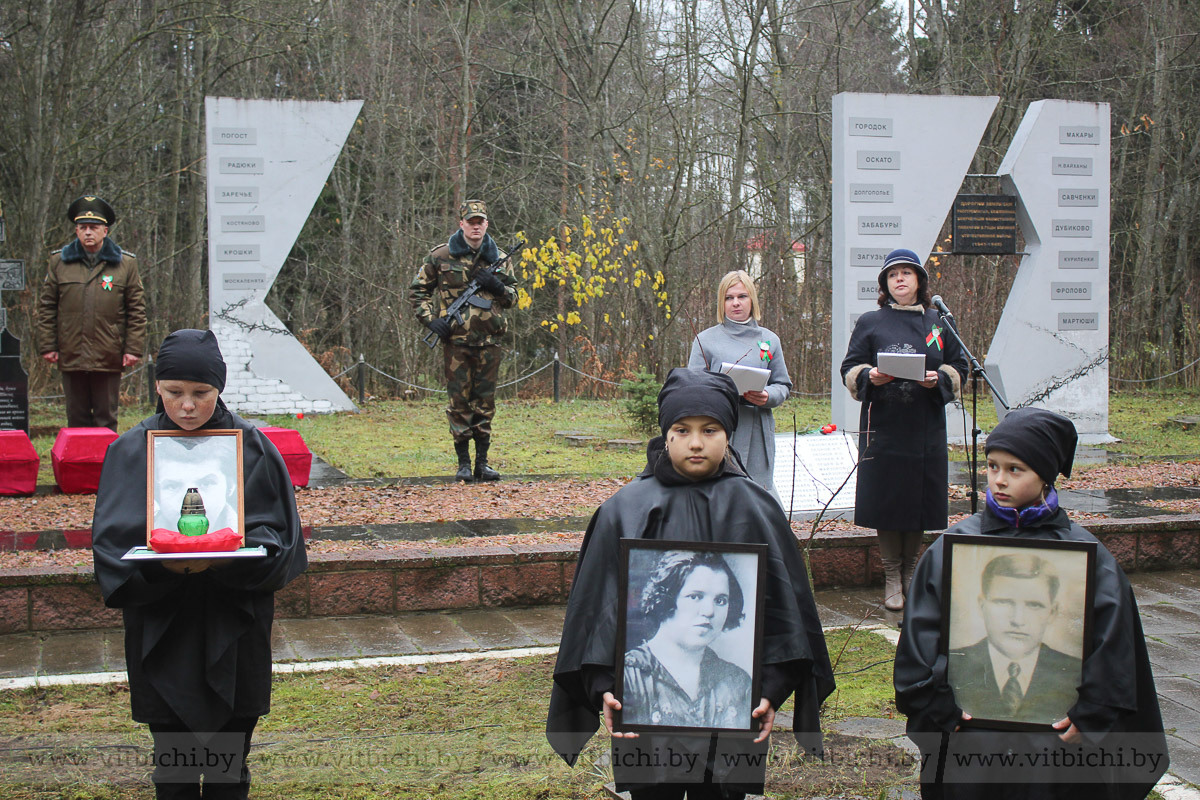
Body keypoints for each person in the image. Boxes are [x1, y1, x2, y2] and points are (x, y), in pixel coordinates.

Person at [548, 368, 834, 799]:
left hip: (734, 718)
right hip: (643, 718)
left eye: (710, 429)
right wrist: (604, 687)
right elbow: (598, 613)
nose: (696, 442)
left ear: (729, 435)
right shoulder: (624, 510)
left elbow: (783, 615)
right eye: (682, 429)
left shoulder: (756, 509)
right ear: (667, 435)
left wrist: (770, 691)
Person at [894, 408, 1168, 800]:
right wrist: (937, 706)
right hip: (970, 744)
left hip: (1059, 751)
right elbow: (920, 637)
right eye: (992, 466)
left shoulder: (1087, 556)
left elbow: (1115, 646)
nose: (999, 479)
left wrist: (1091, 714)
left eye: (1015, 469)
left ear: (1044, 475)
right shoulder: (951, 550)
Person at [91, 329, 307, 799]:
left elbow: (281, 539)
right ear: (157, 389)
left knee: (229, 771)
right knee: (174, 773)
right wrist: (162, 565)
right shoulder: (131, 450)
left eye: (200, 394)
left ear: (219, 389)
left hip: (233, 627)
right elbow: (110, 544)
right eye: (174, 393)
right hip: (162, 628)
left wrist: (229, 556)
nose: (187, 406)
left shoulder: (251, 446)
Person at [839, 247, 967, 611]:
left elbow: (960, 367)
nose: (899, 279)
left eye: (906, 273)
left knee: (919, 499)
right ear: (884, 283)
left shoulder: (938, 321)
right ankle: (892, 575)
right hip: (884, 425)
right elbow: (850, 367)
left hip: (924, 426)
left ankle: (912, 572)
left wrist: (938, 379)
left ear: (919, 281)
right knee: (889, 499)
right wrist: (870, 375)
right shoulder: (871, 322)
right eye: (893, 274)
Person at [409, 199, 517, 482]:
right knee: (459, 403)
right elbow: (418, 291)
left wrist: (497, 286)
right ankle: (463, 465)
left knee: (485, 403)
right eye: (471, 222)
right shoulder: (441, 256)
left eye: (480, 222)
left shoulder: (500, 258)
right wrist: (430, 320)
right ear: (462, 224)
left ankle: (482, 463)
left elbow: (513, 297)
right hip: (456, 343)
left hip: (490, 342)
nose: (476, 226)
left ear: (487, 225)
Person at [36, 195, 146, 431]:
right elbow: (47, 307)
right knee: (76, 418)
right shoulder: (59, 262)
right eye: (83, 227)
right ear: (76, 231)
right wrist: (48, 345)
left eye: (94, 228)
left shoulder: (125, 264)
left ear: (105, 231)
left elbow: (136, 310)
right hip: (71, 352)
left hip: (109, 353)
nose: (88, 232)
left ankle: (106, 467)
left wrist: (133, 349)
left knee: (106, 419)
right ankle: (76, 468)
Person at [688, 270, 791, 505]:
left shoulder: (770, 339)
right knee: (720, 495)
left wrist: (767, 396)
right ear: (721, 302)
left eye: (742, 296)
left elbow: (783, 385)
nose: (736, 303)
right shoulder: (705, 340)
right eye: (729, 297)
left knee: (759, 498)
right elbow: (692, 387)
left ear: (752, 299)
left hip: (756, 426)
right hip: (718, 428)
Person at [622, 550, 753, 729]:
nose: (709, 611)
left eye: (720, 600)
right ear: (666, 598)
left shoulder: (737, 682)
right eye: (695, 597)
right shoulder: (628, 675)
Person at [948, 553, 1082, 725]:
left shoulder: (1074, 673)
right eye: (1003, 602)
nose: (1018, 620)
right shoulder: (953, 667)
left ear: (1052, 612)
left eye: (1034, 605)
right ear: (982, 605)